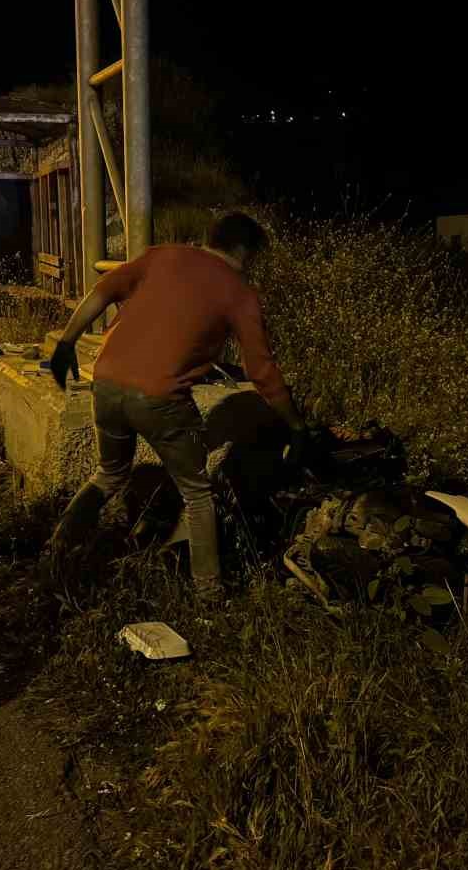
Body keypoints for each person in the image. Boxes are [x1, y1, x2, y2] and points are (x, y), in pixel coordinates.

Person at [48, 212, 309, 597]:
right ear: (245, 251)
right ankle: (209, 594)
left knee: (108, 474)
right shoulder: (239, 292)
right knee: (198, 494)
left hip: (105, 383)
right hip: (159, 397)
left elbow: (101, 292)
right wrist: (297, 426)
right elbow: (262, 371)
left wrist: (66, 343)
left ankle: (58, 547)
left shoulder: (162, 256)